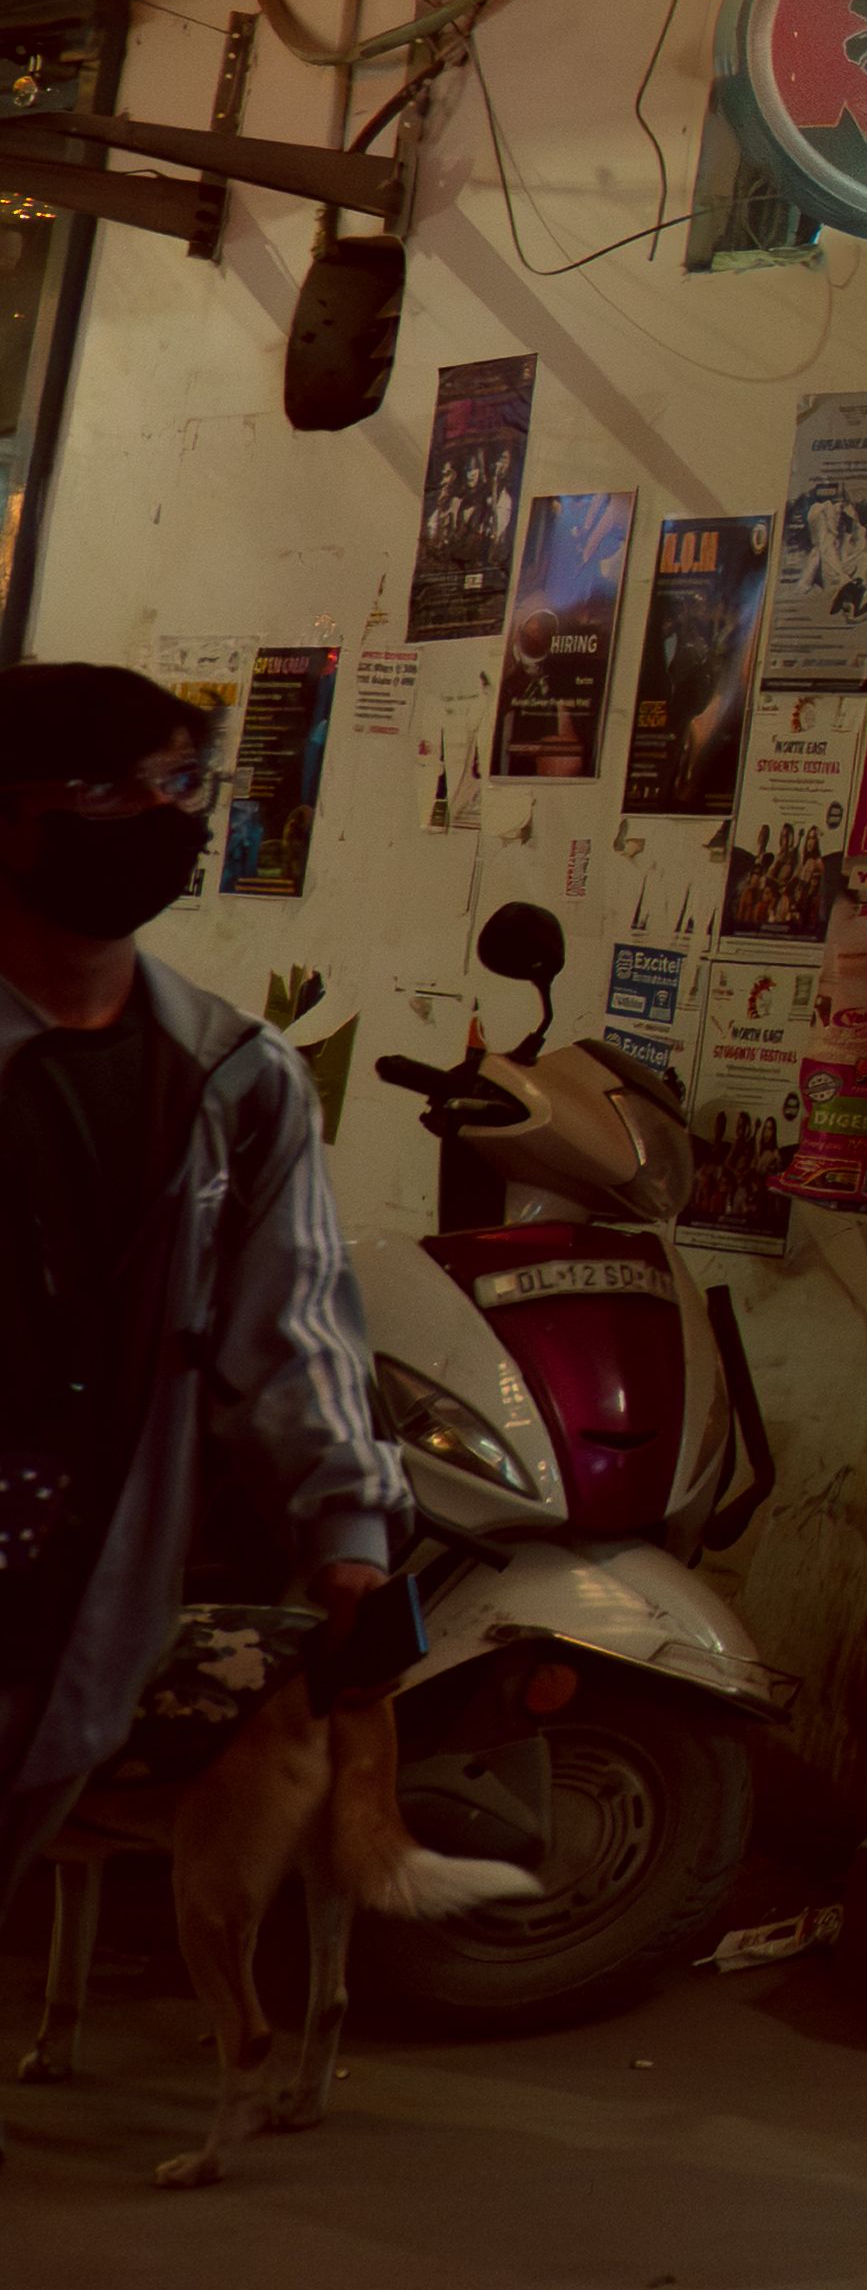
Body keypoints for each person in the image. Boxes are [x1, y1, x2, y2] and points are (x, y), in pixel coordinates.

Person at [0, 662, 407, 1880]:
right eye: (112, 790)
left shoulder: (234, 1077)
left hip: (75, 1618)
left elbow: (293, 1318)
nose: (167, 816)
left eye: (183, 780)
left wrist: (348, 1531)